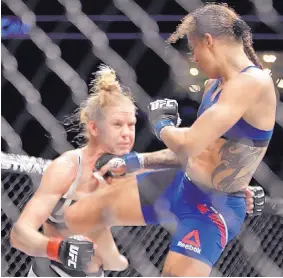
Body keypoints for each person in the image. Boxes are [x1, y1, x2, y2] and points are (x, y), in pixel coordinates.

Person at [64, 3, 276, 276]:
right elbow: (197, 152)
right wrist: (137, 160)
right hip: (180, 185)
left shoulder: (253, 82)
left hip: (213, 207)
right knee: (83, 213)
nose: (194, 58)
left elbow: (189, 143)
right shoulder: (213, 85)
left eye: (193, 47)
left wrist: (162, 125)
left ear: (208, 40)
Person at [9, 64, 261, 277]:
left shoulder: (129, 172)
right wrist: (59, 249)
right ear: (95, 128)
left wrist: (234, 186)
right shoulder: (67, 167)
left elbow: (192, 168)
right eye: (117, 124)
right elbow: (19, 235)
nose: (127, 133)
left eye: (131, 124)